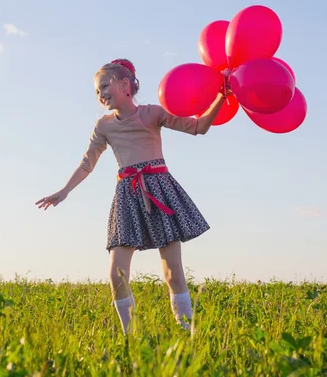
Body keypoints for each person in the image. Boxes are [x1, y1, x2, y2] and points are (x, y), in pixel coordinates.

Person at [35, 58, 229, 334]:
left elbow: (198, 127)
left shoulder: (153, 114)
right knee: (116, 273)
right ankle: (133, 338)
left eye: (104, 86)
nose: (100, 94)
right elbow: (86, 163)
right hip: (128, 194)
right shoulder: (103, 126)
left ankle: (186, 334)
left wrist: (222, 95)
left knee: (172, 272)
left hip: (160, 190)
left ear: (125, 84)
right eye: (96, 91)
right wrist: (63, 191)